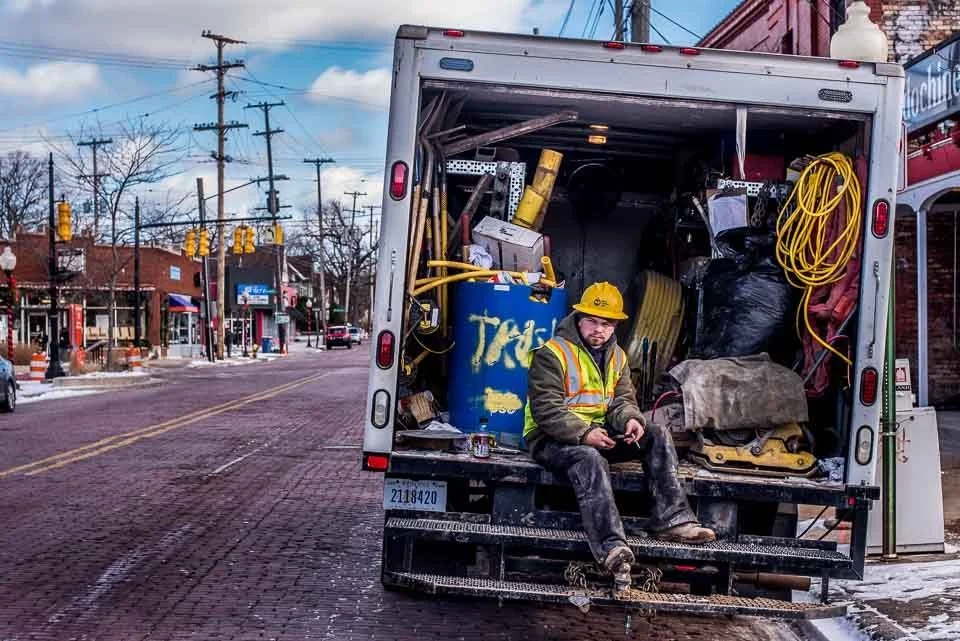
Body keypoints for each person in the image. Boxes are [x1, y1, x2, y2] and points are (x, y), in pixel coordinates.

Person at [523, 281, 715, 585]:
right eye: (593, 322)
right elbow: (546, 410)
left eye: (607, 324)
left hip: (596, 433)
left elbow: (622, 401)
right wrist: (585, 434)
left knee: (656, 433)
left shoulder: (618, 358)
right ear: (579, 318)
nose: (599, 330)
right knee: (590, 459)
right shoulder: (552, 353)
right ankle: (611, 547)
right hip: (550, 440)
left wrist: (630, 420)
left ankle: (673, 520)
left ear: (615, 326)